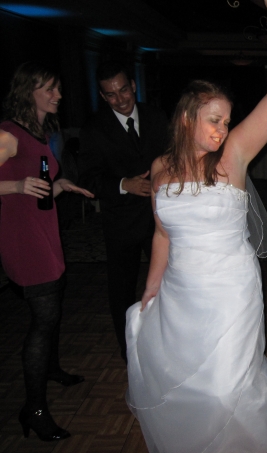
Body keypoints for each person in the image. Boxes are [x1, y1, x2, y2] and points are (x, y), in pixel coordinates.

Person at [124, 0, 267, 451]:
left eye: (226, 121)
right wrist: (151, 289)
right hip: (181, 292)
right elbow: (162, 234)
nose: (223, 129)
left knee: (226, 386)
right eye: (214, 120)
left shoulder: (233, 156)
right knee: (190, 385)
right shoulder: (160, 167)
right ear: (188, 118)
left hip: (231, 290)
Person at [0, 61, 94, 441]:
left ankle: (51, 368)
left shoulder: (40, 131)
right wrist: (16, 186)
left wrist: (59, 186)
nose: (59, 95)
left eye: (58, 88)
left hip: (43, 230)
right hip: (23, 239)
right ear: (29, 92)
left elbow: (38, 187)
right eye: (50, 89)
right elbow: (19, 185)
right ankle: (34, 410)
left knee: (53, 304)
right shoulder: (8, 133)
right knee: (44, 317)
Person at [78, 61, 169, 361]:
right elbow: (88, 179)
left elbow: (173, 158)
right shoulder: (93, 129)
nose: (120, 99)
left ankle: (168, 343)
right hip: (121, 222)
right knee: (122, 291)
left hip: (160, 218)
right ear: (103, 96)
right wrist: (122, 184)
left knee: (169, 282)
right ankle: (129, 349)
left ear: (133, 85)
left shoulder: (156, 117)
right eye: (111, 95)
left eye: (124, 90)